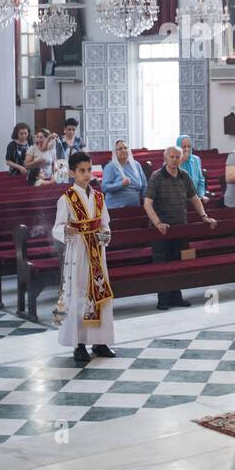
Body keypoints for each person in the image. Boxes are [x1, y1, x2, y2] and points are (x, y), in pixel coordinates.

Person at [54, 151, 117, 365]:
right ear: (72, 172)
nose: (87, 175)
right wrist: (66, 231)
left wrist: (106, 234)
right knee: (79, 297)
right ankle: (79, 344)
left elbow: (105, 223)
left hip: (97, 255)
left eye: (89, 170)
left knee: (99, 297)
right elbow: (58, 227)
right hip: (78, 254)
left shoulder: (99, 197)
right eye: (82, 171)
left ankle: (100, 342)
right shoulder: (67, 199)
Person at [144, 146, 218, 310]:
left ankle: (176, 297)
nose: (174, 159)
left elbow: (195, 198)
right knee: (162, 263)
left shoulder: (184, 176)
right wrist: (157, 223)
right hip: (161, 228)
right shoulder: (156, 176)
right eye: (171, 156)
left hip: (180, 226)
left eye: (177, 157)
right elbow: (147, 203)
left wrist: (204, 216)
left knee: (177, 261)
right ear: (165, 157)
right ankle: (163, 300)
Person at [102, 139, 147, 209]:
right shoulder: (110, 167)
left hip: (135, 207)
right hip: (115, 208)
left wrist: (145, 201)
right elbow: (104, 188)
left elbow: (144, 185)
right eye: (120, 149)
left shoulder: (136, 165)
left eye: (125, 148)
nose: (123, 150)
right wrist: (121, 184)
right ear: (115, 152)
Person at [176, 134, 208, 199]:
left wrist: (201, 195)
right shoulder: (173, 160)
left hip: (195, 196)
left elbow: (201, 180)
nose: (187, 149)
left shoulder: (196, 159)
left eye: (189, 146)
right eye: (184, 147)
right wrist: (181, 161)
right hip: (178, 197)